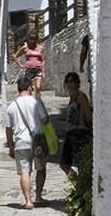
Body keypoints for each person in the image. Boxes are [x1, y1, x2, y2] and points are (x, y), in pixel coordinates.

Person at [5, 72, 52, 208]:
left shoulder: (11, 106)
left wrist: (10, 146)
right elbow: (46, 119)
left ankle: (28, 201)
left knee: (25, 171)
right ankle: (38, 196)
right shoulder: (36, 102)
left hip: (21, 142)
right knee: (41, 168)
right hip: (37, 141)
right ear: (30, 88)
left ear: (18, 88)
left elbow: (8, 128)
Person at [60, 69, 93, 177]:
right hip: (70, 133)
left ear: (77, 83)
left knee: (80, 163)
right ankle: (78, 186)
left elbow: (88, 115)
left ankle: (81, 188)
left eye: (72, 81)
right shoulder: (72, 98)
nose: (69, 84)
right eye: (67, 81)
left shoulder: (81, 97)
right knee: (64, 164)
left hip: (79, 133)